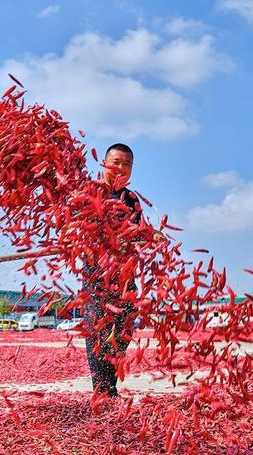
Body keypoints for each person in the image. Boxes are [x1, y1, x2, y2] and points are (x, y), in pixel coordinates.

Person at [81, 143, 161, 398]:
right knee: (98, 330)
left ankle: (109, 386)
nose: (121, 168)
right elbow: (76, 228)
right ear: (104, 163)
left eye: (127, 164)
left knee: (124, 328)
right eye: (116, 162)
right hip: (97, 275)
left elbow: (135, 232)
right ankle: (102, 392)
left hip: (125, 275)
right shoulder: (89, 191)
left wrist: (151, 234)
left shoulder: (130, 199)